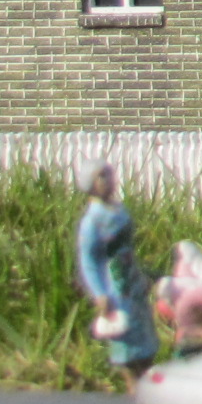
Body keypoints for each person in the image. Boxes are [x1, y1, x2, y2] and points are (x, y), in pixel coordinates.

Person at [73, 159, 158, 385]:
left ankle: (146, 378)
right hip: (114, 285)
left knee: (144, 333)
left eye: (109, 174)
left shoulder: (119, 210)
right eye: (102, 176)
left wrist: (140, 274)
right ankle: (133, 383)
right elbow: (88, 260)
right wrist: (99, 293)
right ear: (90, 183)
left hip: (131, 279)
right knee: (125, 335)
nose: (108, 180)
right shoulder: (92, 220)